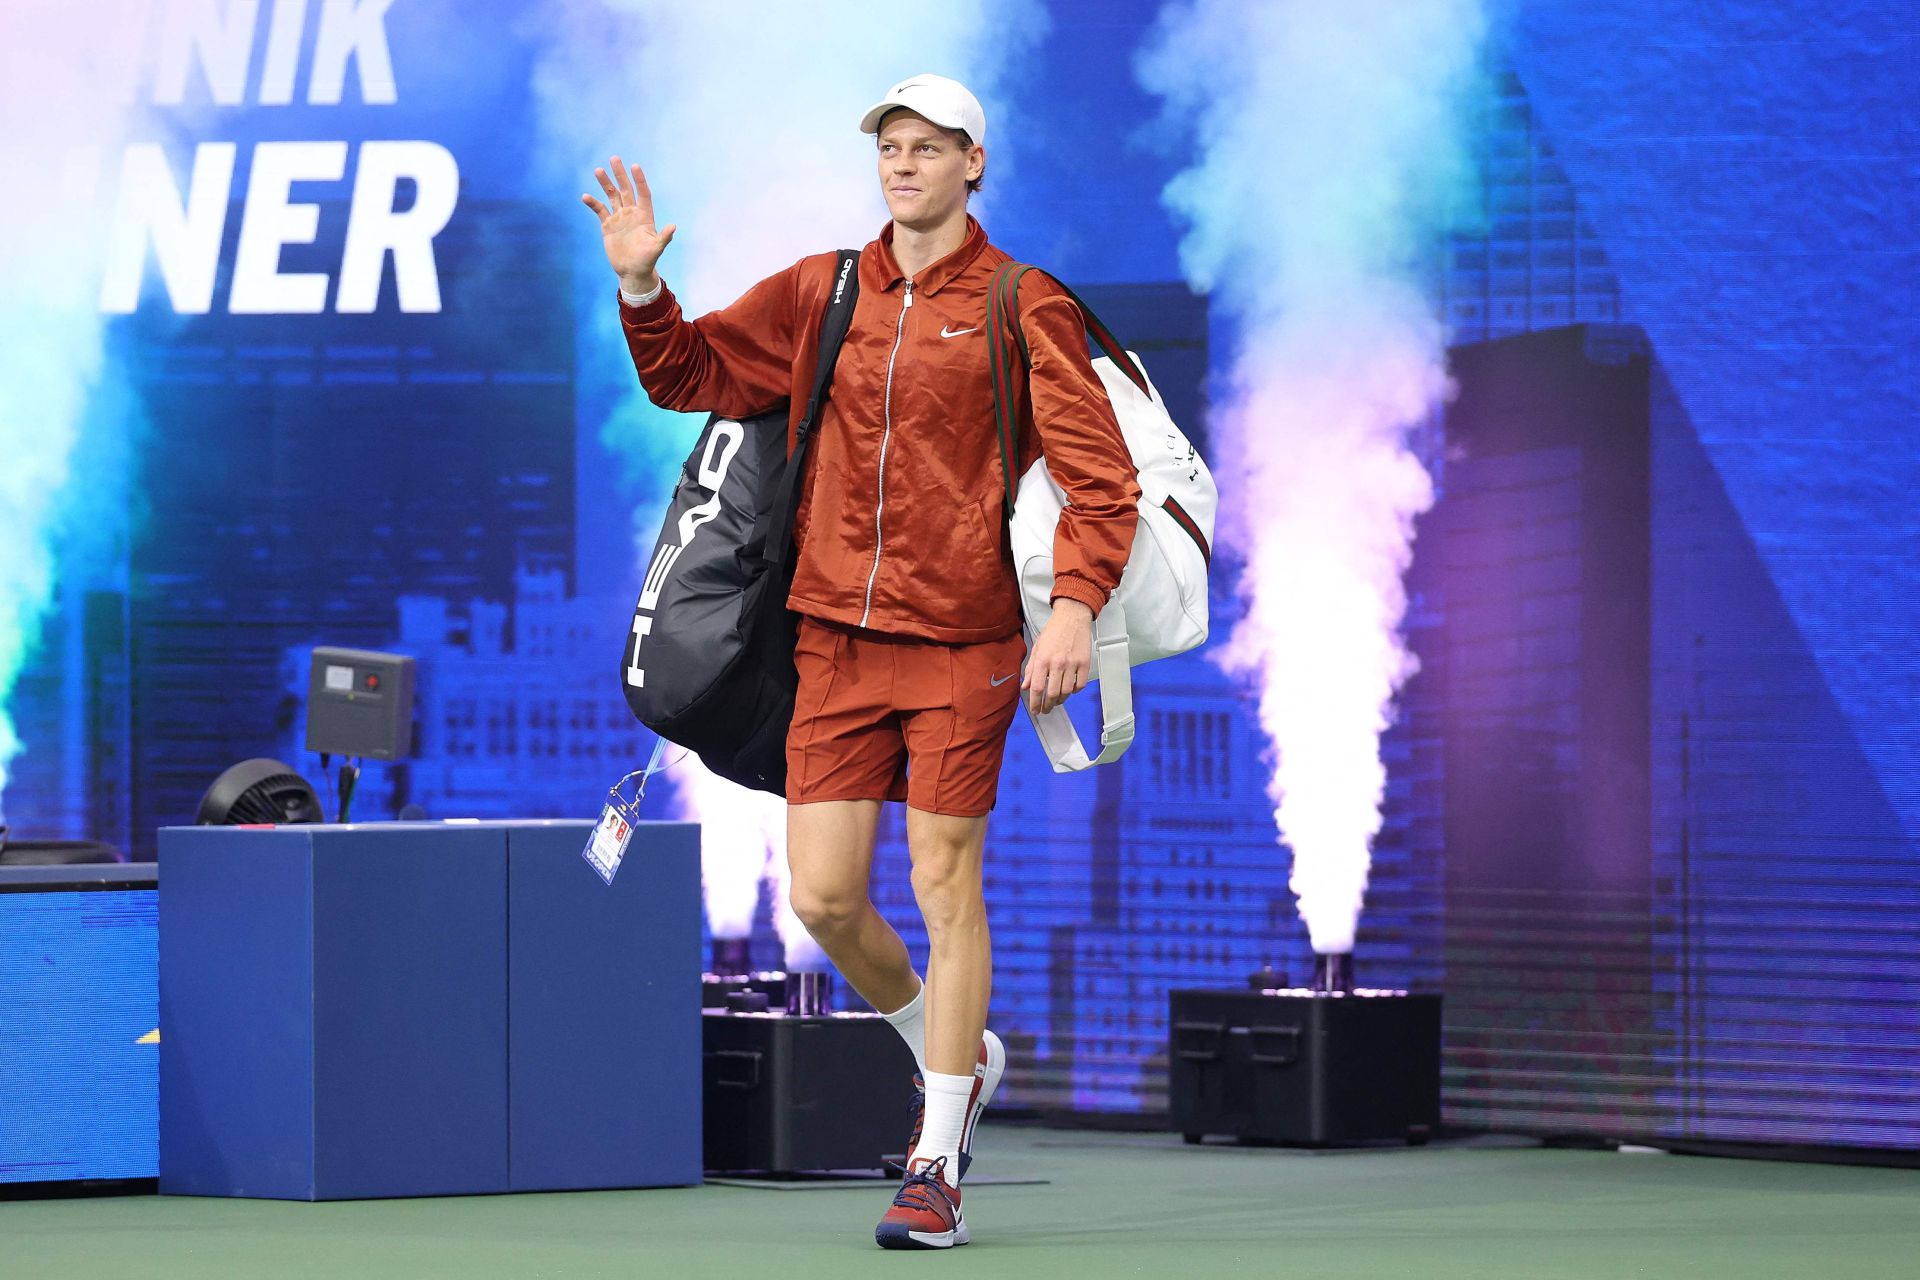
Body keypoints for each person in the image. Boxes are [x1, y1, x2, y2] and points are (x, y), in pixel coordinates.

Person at [581, 73, 1140, 1250]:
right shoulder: (823, 289)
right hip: (831, 638)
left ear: (973, 163)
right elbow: (692, 375)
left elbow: (1102, 479)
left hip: (967, 646)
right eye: (890, 145)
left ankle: (935, 1162)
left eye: (929, 148)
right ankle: (957, 1052)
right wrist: (641, 284)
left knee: (946, 882)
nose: (904, 164)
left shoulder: (1021, 303)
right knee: (826, 897)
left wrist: (1076, 607)